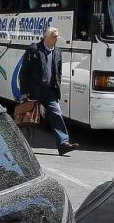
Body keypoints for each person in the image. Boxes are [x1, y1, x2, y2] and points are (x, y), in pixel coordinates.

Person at [20, 26, 76, 155]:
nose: (57, 39)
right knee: (27, 119)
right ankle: (21, 145)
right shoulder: (34, 49)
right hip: (34, 90)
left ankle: (63, 144)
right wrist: (24, 91)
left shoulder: (57, 51)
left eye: (57, 37)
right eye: (54, 37)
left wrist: (57, 87)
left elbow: (58, 71)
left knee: (56, 113)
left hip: (50, 91)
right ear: (45, 37)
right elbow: (24, 72)